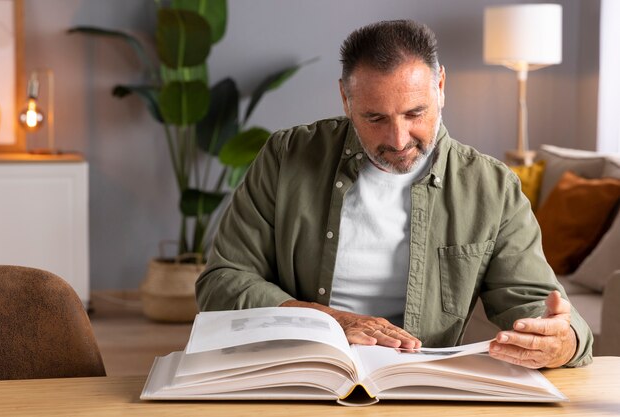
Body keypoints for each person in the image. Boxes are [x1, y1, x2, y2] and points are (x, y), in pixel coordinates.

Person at [196, 20, 593, 369]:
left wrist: (563, 341)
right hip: (300, 369)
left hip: (418, 387)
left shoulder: (493, 187)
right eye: (376, 118)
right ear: (346, 99)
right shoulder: (287, 156)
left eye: (414, 114)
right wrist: (327, 320)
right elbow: (222, 281)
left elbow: (534, 305)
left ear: (440, 86)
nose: (398, 139)